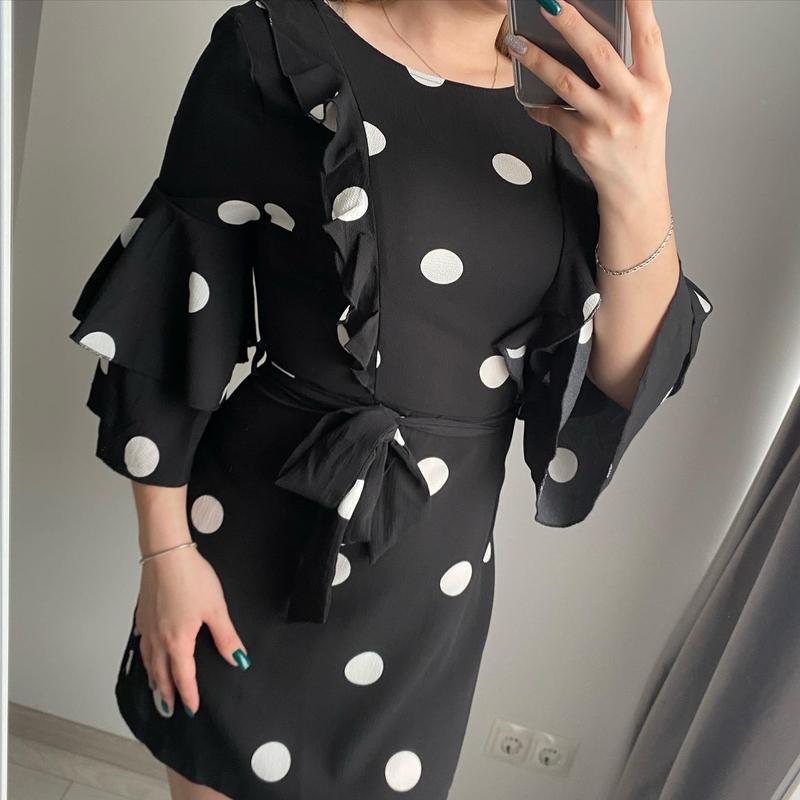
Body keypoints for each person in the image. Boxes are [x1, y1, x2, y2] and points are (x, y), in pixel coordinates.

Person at [68, 0, 713, 797]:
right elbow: (175, 302)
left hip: (430, 598)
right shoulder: (275, 47)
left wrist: (639, 175)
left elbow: (625, 373)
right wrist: (166, 555)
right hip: (248, 554)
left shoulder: (583, 98)